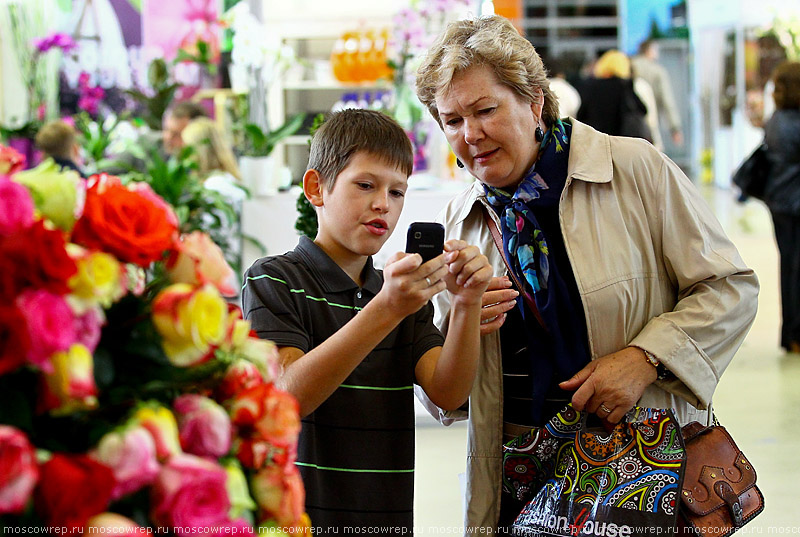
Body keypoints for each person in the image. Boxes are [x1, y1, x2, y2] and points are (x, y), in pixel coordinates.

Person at [414, 16, 759, 531]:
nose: (471, 135)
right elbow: (449, 395)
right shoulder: (463, 220)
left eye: (485, 110)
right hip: (520, 477)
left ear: (534, 102)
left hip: (643, 468)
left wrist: (647, 359)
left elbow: (730, 287)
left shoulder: (633, 171)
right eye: (452, 120)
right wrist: (463, 322)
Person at [241, 109, 492, 531]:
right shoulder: (274, 279)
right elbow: (286, 397)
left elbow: (448, 394)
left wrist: (467, 303)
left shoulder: (401, 294)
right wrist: (386, 309)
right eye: (365, 185)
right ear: (316, 187)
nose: (383, 203)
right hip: (297, 517)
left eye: (397, 193)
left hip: (385, 515)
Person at [762, 61, 800, 354]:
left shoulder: (776, 120)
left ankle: (789, 333)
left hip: (779, 202)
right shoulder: (795, 122)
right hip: (795, 202)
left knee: (788, 266)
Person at [577, 49, 652, 143]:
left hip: (599, 142)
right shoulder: (624, 86)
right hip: (621, 141)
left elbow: (581, 115)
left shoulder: (591, 86)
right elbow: (642, 110)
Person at [631, 39, 684, 146]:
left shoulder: (630, 66)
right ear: (649, 50)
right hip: (650, 120)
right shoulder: (657, 71)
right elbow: (667, 100)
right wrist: (675, 128)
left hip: (630, 122)